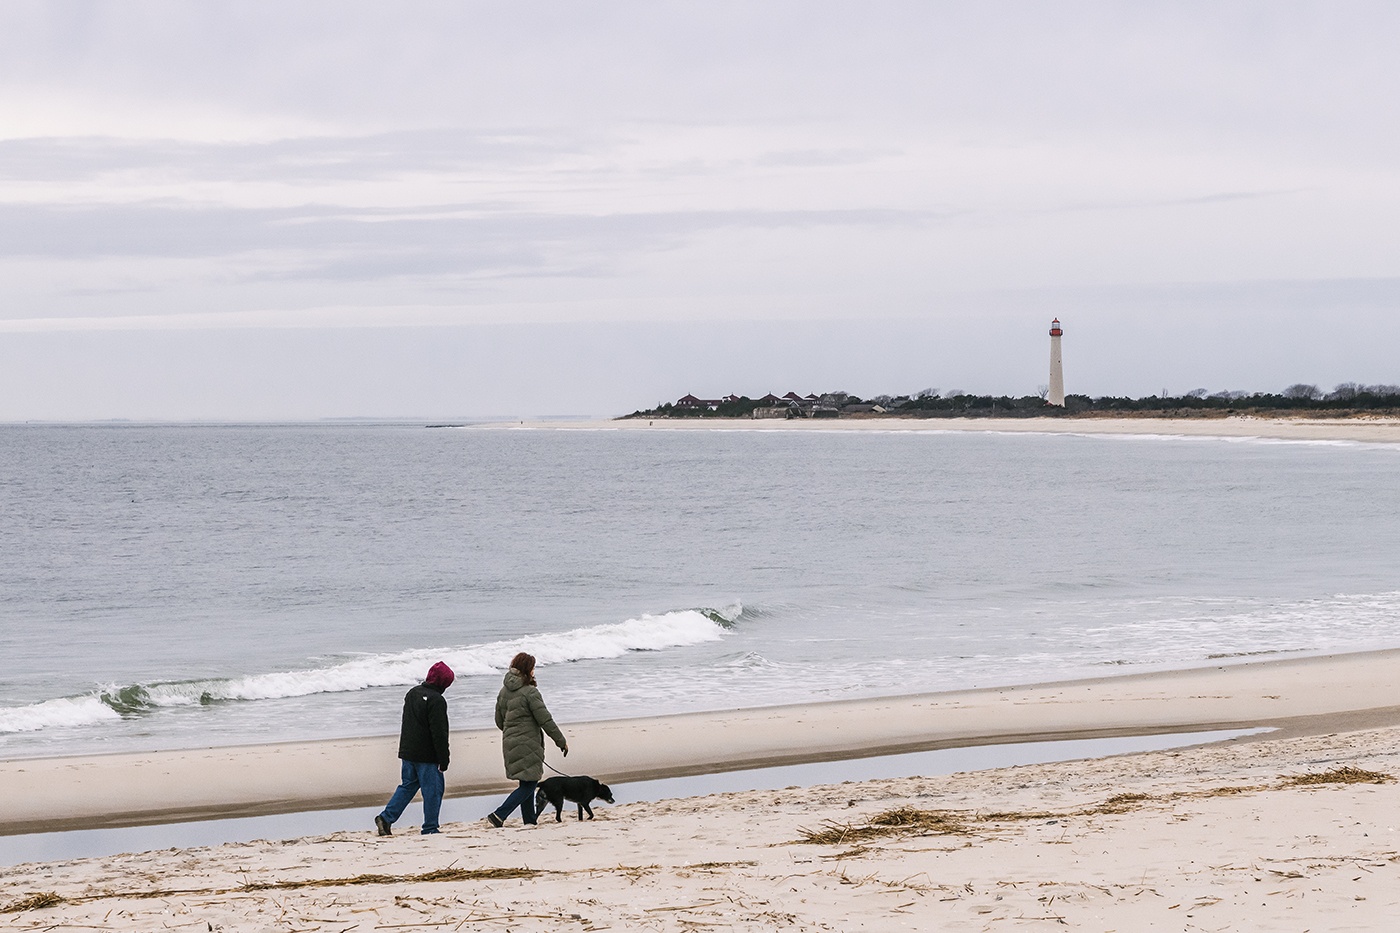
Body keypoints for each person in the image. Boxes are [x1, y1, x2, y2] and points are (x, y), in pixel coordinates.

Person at [485, 652, 568, 827]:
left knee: (526, 781)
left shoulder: (503, 691)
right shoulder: (530, 692)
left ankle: (529, 821)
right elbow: (545, 720)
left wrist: (512, 733)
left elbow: (499, 720)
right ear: (527, 669)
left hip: (510, 742)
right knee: (529, 784)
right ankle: (499, 814)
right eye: (532, 668)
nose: (534, 671)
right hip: (528, 743)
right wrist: (561, 741)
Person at [375, 661, 453, 836]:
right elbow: (439, 733)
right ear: (442, 682)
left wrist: (405, 750)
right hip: (427, 755)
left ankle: (386, 818)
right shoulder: (437, 700)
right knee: (433, 791)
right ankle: (430, 828)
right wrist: (444, 759)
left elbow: (408, 723)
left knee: (407, 786)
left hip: (408, 751)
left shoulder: (412, 693)